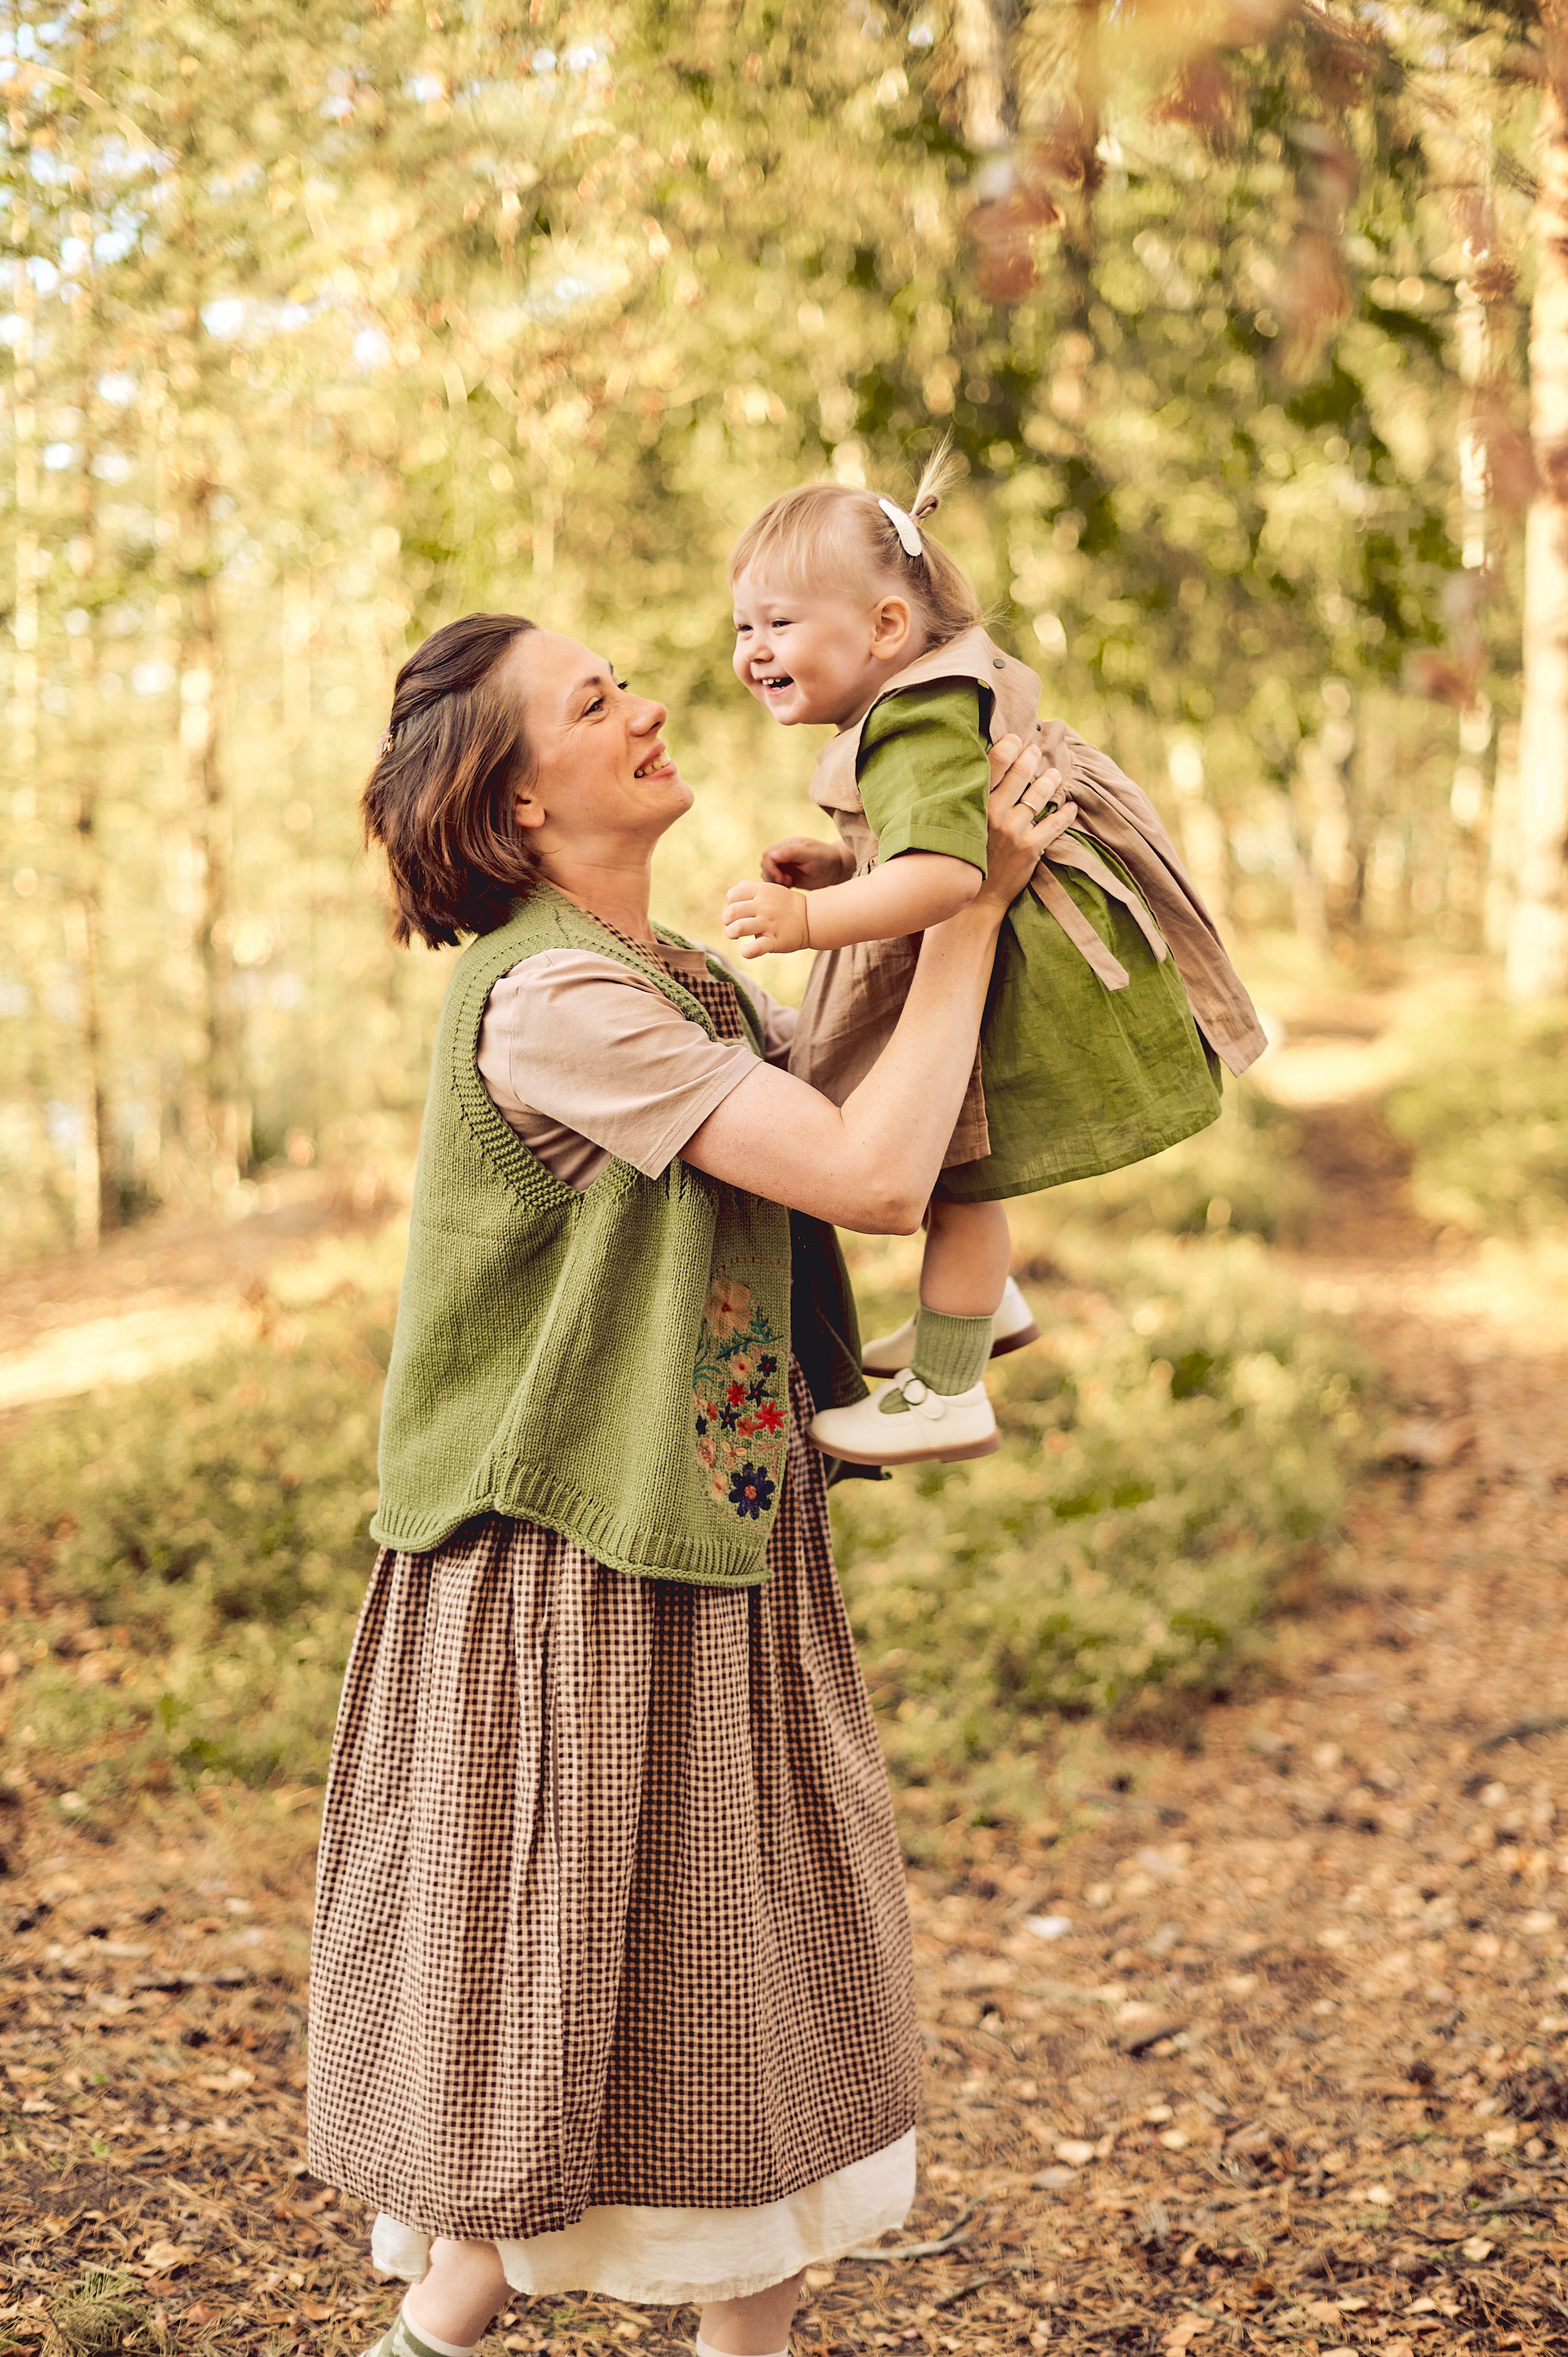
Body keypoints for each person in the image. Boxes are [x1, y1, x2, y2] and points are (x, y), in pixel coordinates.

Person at [307, 611, 1076, 2357]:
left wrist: (894, 889)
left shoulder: (680, 983)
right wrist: (967, 914)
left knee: (700, 1957)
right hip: (568, 1566)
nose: (651, 705)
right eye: (595, 704)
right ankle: (468, 2300)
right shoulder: (557, 1000)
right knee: (605, 1950)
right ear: (512, 813)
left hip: (696, 1534)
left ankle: (471, 2301)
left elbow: (856, 1102)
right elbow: (874, 1177)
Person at [723, 449, 1266, 1468]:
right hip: (1022, 935)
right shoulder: (925, 698)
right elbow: (939, 839)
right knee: (957, 1158)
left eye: (780, 623)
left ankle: (948, 1388)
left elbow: (940, 881)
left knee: (957, 1167)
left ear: (887, 627)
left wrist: (815, 918)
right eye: (743, 627)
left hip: (1015, 951)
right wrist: (847, 858)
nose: (754, 650)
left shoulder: (915, 719)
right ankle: (978, 1305)